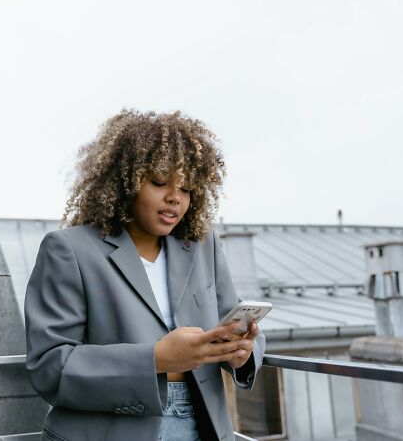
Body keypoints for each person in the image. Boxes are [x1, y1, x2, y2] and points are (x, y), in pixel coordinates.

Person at [24, 109, 265, 441]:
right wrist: (155, 359)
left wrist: (243, 353)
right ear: (125, 182)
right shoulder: (68, 249)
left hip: (204, 423)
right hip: (112, 428)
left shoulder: (201, 244)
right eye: (158, 182)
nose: (175, 198)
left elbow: (234, 320)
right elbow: (50, 368)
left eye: (187, 187)